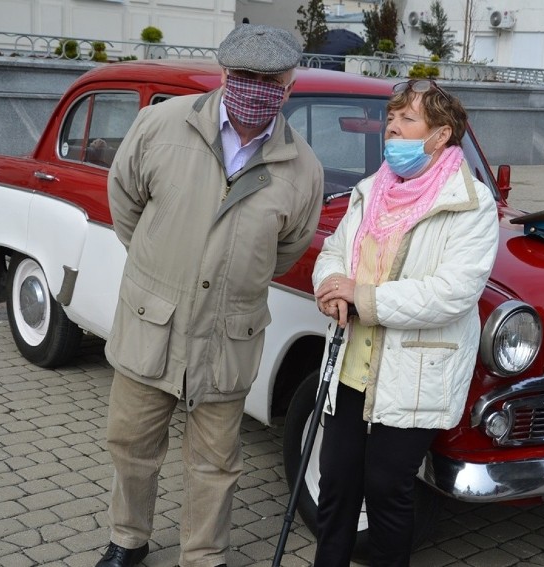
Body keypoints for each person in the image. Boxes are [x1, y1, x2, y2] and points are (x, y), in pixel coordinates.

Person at [97, 24, 324, 567]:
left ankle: (203, 556)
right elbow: (124, 201)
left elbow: (287, 250)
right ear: (224, 74)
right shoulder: (160, 125)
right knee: (131, 446)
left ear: (289, 84)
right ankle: (127, 540)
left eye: (270, 80)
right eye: (245, 76)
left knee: (215, 462)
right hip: (154, 322)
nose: (256, 88)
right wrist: (163, 264)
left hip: (228, 336)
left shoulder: (303, 168)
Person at [311, 79, 499, 566]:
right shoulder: (371, 190)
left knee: (388, 490)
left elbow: (453, 293)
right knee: (335, 481)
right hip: (351, 363)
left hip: (411, 371)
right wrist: (331, 283)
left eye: (407, 121)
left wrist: (364, 297)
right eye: (391, 121)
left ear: (440, 135)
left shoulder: (470, 204)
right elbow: (335, 250)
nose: (393, 130)